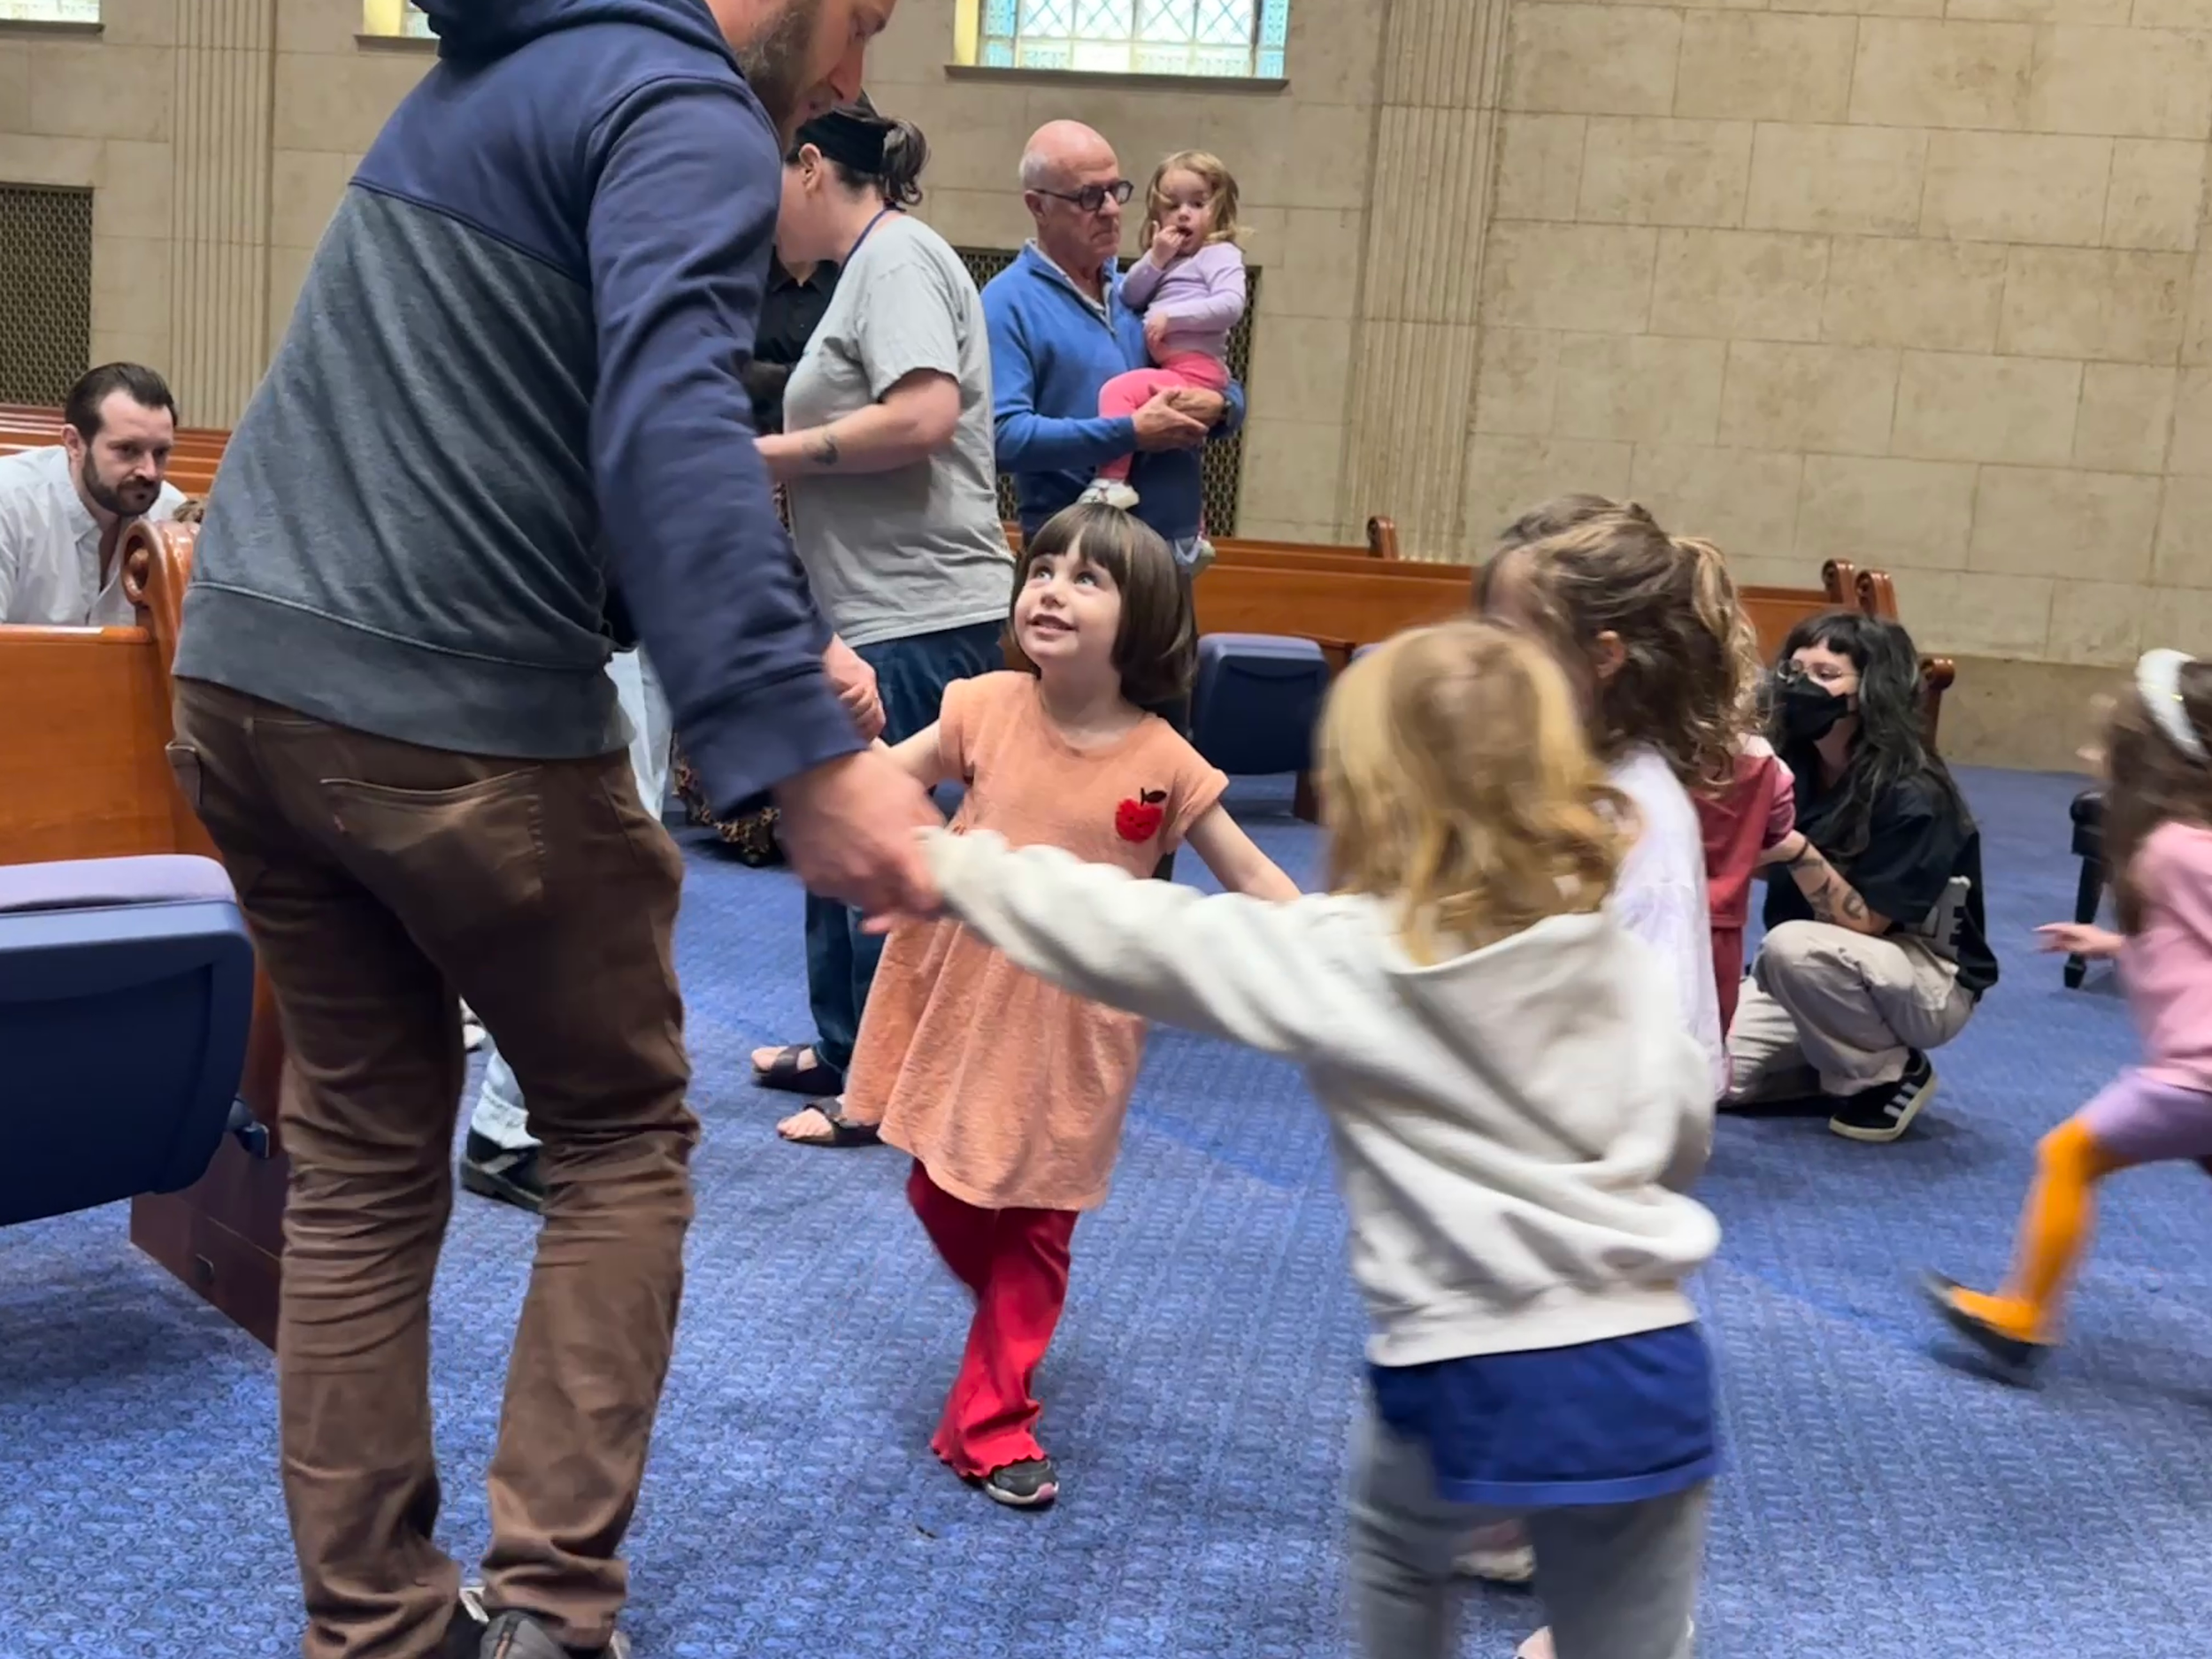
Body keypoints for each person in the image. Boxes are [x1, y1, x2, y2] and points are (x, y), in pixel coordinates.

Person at [162, 3, 933, 1657]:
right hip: (452, 716)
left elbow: (562, 439)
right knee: (620, 1133)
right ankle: (554, 1616)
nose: (859, 70)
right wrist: (806, 749)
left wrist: (775, 650)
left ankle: (377, 1627)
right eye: (871, 10)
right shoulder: (682, 102)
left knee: (366, 1156)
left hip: (238, 680)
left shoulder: (503, 60)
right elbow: (671, 433)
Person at [912, 618, 1719, 1657]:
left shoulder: (1363, 959)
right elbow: (1682, 1127)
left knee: (1397, 1560)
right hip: (1649, 1368)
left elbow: (1141, 937)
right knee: (1632, 1634)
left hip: (1460, 1366)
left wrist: (952, 869)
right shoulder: (1608, 958)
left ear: (1367, 799)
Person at [834, 503, 1298, 1506]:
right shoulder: (983, 703)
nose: (1050, 587)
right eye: (1043, 567)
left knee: (1038, 1227)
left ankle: (992, 1423)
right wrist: (820, 771)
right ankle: (995, 1361)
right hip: (962, 995)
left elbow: (1257, 879)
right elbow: (880, 782)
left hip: (1077, 1026)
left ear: (1146, 619)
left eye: (1088, 578)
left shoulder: (1167, 762)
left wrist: (1339, 961)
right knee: (940, 1189)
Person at [1471, 503, 1734, 1617]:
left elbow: (1666, 1025)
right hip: (1538, 1119)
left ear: (1601, 659)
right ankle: (1504, 1519)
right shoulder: (1565, 774)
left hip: (1599, 1139)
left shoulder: (1638, 817)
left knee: (1584, 1355)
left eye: (1511, 639)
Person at [741, 103, 1016, 1137]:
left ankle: (882, 1087)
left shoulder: (897, 259)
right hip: (871, 607)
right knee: (834, 820)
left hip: (917, 608)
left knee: (875, 841)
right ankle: (847, 1043)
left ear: (810, 169)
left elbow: (922, 416)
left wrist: (764, 456)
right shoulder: (866, 270)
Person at [1924, 649, 2212, 1371]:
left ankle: (2025, 1315)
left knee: (2068, 1155)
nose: (2091, 756)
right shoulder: (2181, 848)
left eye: (2109, 745)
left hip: (2197, 1077)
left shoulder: (2180, 848)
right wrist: (2115, 940)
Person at [1726, 611, 1996, 1142]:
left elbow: (1869, 922)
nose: (1802, 687)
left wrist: (1795, 849)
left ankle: (1888, 1073)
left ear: (1872, 692)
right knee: (1710, 1078)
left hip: (1923, 975)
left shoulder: (1914, 792)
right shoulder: (1789, 766)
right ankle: (1835, 1068)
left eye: (1826, 675)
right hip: (1815, 977)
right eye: (1794, 671)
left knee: (1790, 947)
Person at [460, 647, 673, 1211]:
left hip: (613, 629)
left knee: (619, 855)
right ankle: (512, 1126)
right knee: (594, 862)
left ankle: (553, 1111)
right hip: (571, 630)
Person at [985, 119, 1245, 576]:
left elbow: (1205, 371)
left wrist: (1223, 406)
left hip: (1162, 557)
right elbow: (1002, 438)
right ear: (1038, 205)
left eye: (1115, 191)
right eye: (1089, 197)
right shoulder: (1007, 302)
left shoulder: (1135, 293)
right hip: (1077, 560)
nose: (1110, 210)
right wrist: (1129, 432)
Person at [1079, 150, 1247, 513]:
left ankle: (1111, 480)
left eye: (1198, 203)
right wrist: (1155, 259)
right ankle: (1192, 529)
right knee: (1176, 443)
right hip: (1176, 367)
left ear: (1218, 208)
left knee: (1118, 391)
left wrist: (1172, 316)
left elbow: (1231, 304)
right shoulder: (1169, 264)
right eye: (1172, 206)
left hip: (1197, 367)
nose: (1184, 213)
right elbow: (1131, 293)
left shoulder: (1219, 255)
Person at [0, 362, 187, 626]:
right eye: (127, 449)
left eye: (160, 453)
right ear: (74, 444)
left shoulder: (172, 517)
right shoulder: (8, 503)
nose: (150, 471)